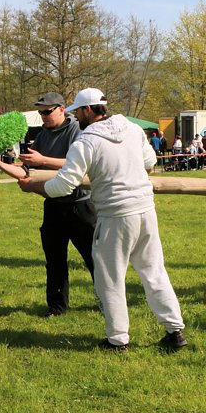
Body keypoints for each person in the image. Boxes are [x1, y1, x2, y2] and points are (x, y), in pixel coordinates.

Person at [19, 88, 187, 351]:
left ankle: (117, 339)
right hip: (145, 210)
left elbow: (64, 185)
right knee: (154, 272)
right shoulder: (132, 129)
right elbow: (150, 161)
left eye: (78, 111)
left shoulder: (86, 141)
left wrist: (34, 187)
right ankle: (175, 331)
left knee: (109, 279)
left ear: (88, 110)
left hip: (115, 215)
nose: (76, 116)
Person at [0, 92, 95, 318]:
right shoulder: (42, 136)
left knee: (94, 258)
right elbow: (27, 172)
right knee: (54, 260)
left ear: (61, 109)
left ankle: (107, 299)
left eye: (47, 111)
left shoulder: (78, 131)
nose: (43, 116)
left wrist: (43, 161)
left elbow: (81, 165)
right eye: (40, 112)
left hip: (80, 206)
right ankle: (57, 307)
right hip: (53, 205)